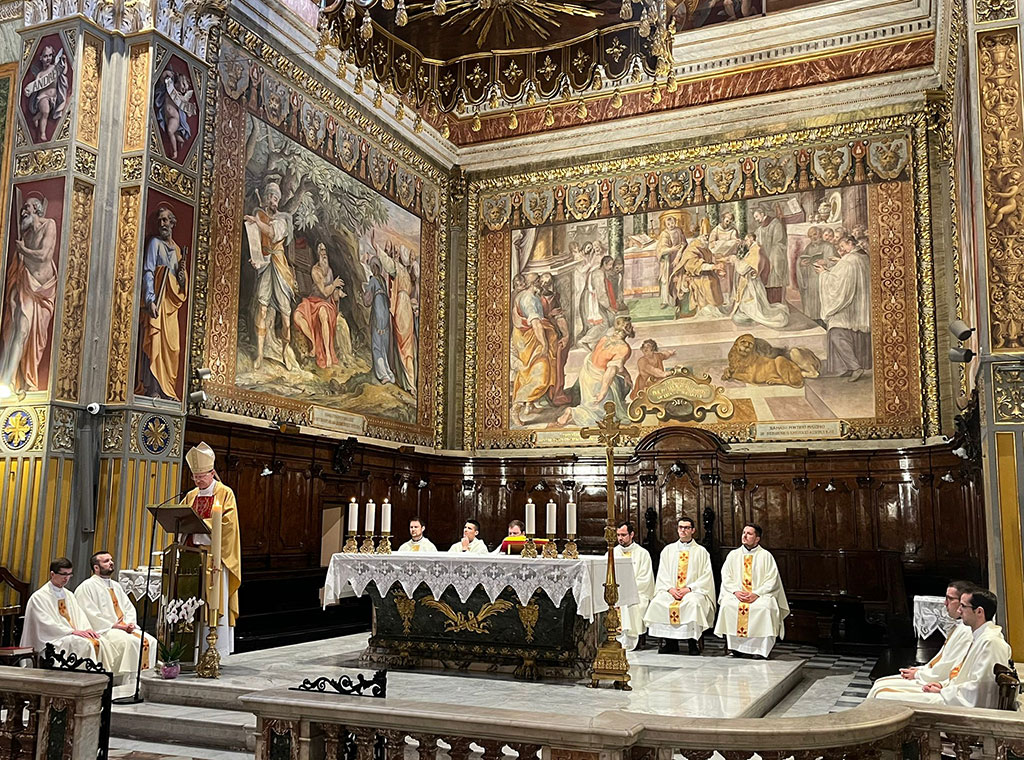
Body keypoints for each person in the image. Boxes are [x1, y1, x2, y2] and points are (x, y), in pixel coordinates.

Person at [872, 588, 1012, 708]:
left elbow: (980, 690)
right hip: (954, 696)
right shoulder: (981, 637)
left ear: (979, 612)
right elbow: (961, 676)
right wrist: (942, 685)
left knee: (883, 696)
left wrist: (943, 691)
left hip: (962, 706)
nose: (959, 610)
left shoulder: (990, 643)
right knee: (881, 690)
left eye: (963, 606)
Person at [183, 442, 242, 658]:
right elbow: (180, 518)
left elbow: (228, 525)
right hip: (192, 557)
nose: (198, 481)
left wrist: (201, 526)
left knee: (215, 601)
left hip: (215, 558)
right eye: (194, 477)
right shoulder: (191, 495)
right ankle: (191, 648)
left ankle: (215, 648)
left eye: (201, 476)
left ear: (212, 473)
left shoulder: (224, 493)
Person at [868, 581, 975, 698]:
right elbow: (942, 661)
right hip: (935, 679)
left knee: (882, 693)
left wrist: (919, 674)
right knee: (880, 684)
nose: (945, 603)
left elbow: (949, 668)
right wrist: (921, 670)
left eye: (950, 599)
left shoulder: (967, 631)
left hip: (943, 687)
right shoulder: (961, 626)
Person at [0, 193, 58, 393]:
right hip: (25, 286)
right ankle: (7, 379)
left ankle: (27, 378)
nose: (23, 212)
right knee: (19, 330)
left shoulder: (49, 225)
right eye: (23, 208)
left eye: (27, 208)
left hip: (44, 290)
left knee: (37, 337)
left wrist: (23, 250)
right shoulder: (25, 236)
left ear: (37, 209)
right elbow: (17, 268)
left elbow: (44, 256)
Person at [21, 558, 121, 669]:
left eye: (69, 574)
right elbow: (45, 624)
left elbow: (80, 616)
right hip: (54, 640)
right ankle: (84, 676)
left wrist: (86, 629)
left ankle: (100, 675)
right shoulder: (39, 597)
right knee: (86, 644)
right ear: (52, 574)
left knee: (100, 641)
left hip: (69, 635)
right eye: (63, 574)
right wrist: (72, 631)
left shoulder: (69, 595)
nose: (66, 578)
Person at [714, 523, 789, 658]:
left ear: (757, 539)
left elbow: (772, 579)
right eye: (744, 533)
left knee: (765, 608)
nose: (744, 536)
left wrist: (756, 594)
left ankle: (760, 649)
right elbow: (726, 576)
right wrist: (736, 591)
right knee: (728, 605)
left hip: (760, 595)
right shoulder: (733, 555)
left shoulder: (765, 556)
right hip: (738, 594)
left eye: (749, 534)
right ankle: (736, 647)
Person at [75, 551, 157, 673]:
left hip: (123, 628)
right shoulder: (87, 587)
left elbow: (128, 608)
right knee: (131, 642)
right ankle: (125, 679)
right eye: (106, 561)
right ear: (96, 568)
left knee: (151, 641)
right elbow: (89, 613)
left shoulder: (116, 585)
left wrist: (129, 624)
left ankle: (141, 679)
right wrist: (114, 626)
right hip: (105, 630)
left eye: (111, 560)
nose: (111, 563)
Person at [244, 182, 297, 371]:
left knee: (285, 317)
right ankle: (259, 353)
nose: (272, 200)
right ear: (265, 198)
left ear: (278, 201)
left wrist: (257, 222)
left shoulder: (283, 220)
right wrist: (256, 257)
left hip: (280, 265)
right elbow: (259, 241)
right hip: (266, 265)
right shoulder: (261, 216)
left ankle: (285, 351)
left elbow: (272, 233)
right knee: (262, 308)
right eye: (269, 196)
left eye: (275, 198)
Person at [644, 517, 716, 654]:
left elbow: (706, 577)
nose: (683, 530)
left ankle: (692, 643)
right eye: (680, 527)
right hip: (671, 591)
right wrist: (670, 589)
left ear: (693, 530)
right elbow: (662, 574)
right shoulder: (668, 550)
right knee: (658, 602)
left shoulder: (701, 552)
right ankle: (670, 642)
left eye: (687, 528)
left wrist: (689, 589)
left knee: (693, 604)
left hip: (693, 591)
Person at [138, 205, 188, 400]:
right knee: (155, 343)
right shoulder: (155, 244)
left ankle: (168, 389)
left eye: (166, 220)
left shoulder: (177, 250)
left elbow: (180, 283)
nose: (162, 224)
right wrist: (150, 299)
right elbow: (149, 272)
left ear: (172, 223)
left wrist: (182, 279)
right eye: (160, 221)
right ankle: (154, 389)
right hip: (158, 303)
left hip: (171, 306)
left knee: (173, 348)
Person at [556, 314, 634, 427]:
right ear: (627, 329)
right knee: (601, 414)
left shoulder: (604, 339)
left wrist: (626, 375)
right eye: (631, 326)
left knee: (618, 383)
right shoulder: (624, 348)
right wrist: (603, 392)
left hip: (587, 372)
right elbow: (611, 370)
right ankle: (573, 412)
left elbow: (610, 362)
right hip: (598, 380)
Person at [817, 235, 871, 382]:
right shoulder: (863, 257)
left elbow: (838, 285)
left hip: (847, 305)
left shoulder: (849, 260)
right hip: (859, 305)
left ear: (850, 243)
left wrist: (823, 274)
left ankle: (855, 367)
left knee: (835, 332)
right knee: (850, 334)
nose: (841, 250)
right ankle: (848, 366)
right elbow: (846, 275)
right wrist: (838, 264)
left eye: (842, 247)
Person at [511, 273, 559, 425]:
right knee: (540, 376)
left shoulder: (529, 296)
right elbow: (536, 324)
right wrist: (544, 343)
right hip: (531, 340)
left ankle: (529, 405)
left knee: (528, 373)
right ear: (533, 283)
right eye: (539, 281)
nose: (542, 284)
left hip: (526, 339)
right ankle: (516, 407)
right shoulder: (529, 299)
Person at [293, 242, 348, 369]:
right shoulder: (315, 270)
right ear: (317, 253)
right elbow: (324, 292)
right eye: (320, 250)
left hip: (326, 304)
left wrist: (338, 293)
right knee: (297, 315)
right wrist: (334, 285)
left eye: (324, 250)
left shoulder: (330, 271)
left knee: (323, 312)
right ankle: (313, 342)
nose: (323, 253)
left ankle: (328, 354)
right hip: (313, 301)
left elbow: (330, 294)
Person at [377, 243, 418, 392]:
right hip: (407, 307)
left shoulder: (399, 269)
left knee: (401, 343)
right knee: (408, 346)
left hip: (401, 306)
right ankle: (410, 383)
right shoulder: (407, 274)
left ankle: (406, 381)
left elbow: (387, 263)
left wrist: (377, 248)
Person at [730, 233, 789, 328]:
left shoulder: (755, 251)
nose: (745, 242)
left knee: (754, 306)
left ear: (751, 239)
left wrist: (735, 260)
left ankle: (750, 315)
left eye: (746, 240)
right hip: (752, 282)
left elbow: (742, 269)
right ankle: (746, 312)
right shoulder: (755, 249)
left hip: (751, 284)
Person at [613, 521, 654, 651]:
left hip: (637, 593)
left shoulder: (642, 553)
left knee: (629, 604)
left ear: (631, 535)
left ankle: (629, 639)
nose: (620, 538)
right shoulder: (612, 553)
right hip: (616, 593)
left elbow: (645, 579)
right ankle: (612, 639)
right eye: (618, 535)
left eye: (623, 535)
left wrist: (627, 590)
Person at [361, 256, 396, 384]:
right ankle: (388, 373)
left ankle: (383, 375)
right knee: (384, 347)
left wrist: (363, 292)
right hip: (385, 317)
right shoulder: (383, 281)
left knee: (377, 346)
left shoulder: (373, 280)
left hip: (378, 317)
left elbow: (367, 301)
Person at [671, 233, 723, 318]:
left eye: (707, 236)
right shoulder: (692, 250)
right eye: (704, 236)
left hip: (703, 272)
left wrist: (717, 269)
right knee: (707, 282)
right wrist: (713, 267)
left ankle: (715, 307)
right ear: (699, 237)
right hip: (693, 275)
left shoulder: (703, 247)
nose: (706, 238)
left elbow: (709, 261)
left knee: (714, 279)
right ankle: (706, 309)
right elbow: (694, 265)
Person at [23, 45, 68, 142]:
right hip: (43, 97)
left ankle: (36, 118)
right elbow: (35, 87)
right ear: (41, 58)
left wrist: (64, 61)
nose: (48, 58)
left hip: (53, 98)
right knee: (46, 112)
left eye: (50, 55)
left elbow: (63, 72)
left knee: (45, 112)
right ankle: (43, 133)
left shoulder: (54, 68)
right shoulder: (40, 74)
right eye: (45, 56)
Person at [538, 273, 571, 406]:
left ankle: (556, 393)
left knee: (557, 362)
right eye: (543, 283)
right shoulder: (536, 298)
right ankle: (544, 394)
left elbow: (560, 315)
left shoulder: (556, 297)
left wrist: (566, 335)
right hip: (540, 335)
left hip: (553, 334)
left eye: (548, 283)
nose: (545, 286)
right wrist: (549, 315)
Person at [154, 69, 197, 161]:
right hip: (165, 115)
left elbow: (187, 108)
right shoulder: (169, 88)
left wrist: (190, 109)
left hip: (174, 117)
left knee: (170, 131)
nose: (185, 89)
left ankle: (175, 152)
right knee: (174, 134)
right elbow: (162, 80)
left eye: (186, 88)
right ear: (179, 81)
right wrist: (166, 73)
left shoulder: (180, 96)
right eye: (184, 84)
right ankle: (180, 141)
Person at [795, 226, 834, 325]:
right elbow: (802, 259)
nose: (813, 237)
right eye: (811, 236)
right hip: (811, 281)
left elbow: (836, 263)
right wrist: (801, 264)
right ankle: (814, 321)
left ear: (820, 234)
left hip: (823, 280)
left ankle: (824, 322)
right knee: (812, 305)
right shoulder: (809, 247)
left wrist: (825, 262)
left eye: (815, 234)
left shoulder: (828, 246)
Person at [753, 206, 788, 304]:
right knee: (765, 283)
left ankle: (777, 305)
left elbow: (778, 243)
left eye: (756, 216)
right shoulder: (759, 229)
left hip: (774, 259)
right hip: (764, 260)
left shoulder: (776, 224)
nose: (756, 219)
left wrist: (772, 260)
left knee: (774, 282)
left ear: (762, 214)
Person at [656, 214, 687, 308]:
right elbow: (662, 249)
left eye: (672, 223)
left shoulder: (679, 230)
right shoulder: (664, 234)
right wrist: (672, 249)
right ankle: (666, 300)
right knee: (666, 279)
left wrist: (679, 253)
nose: (671, 225)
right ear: (665, 224)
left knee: (678, 277)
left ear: (675, 222)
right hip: (667, 260)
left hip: (678, 258)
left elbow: (684, 243)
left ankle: (678, 298)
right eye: (668, 224)